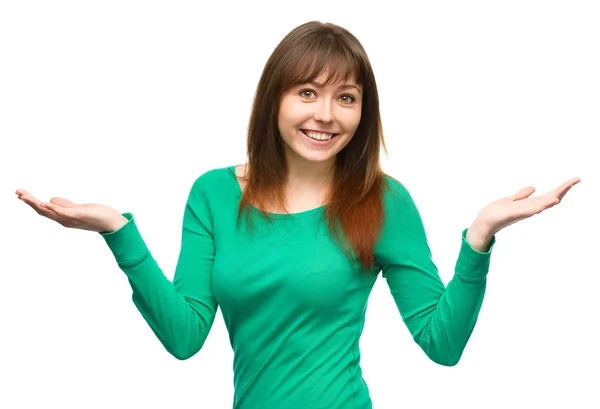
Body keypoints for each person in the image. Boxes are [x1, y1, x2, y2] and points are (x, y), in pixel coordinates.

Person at [16, 21, 579, 409]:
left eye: (347, 97)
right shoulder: (213, 193)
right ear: (275, 100)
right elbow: (185, 336)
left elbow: (442, 344)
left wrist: (479, 238)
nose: (327, 115)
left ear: (364, 109)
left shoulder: (384, 201)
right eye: (307, 93)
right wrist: (118, 233)